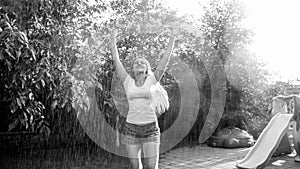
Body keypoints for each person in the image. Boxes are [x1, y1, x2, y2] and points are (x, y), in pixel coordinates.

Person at [109, 29, 175, 169]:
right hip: (131, 128)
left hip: (150, 128)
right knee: (135, 166)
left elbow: (166, 59)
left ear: (146, 69)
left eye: (142, 62)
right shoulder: (128, 81)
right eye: (136, 62)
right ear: (132, 69)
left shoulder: (153, 79)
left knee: (152, 167)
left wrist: (172, 38)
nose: (139, 63)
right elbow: (116, 60)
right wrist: (113, 39)